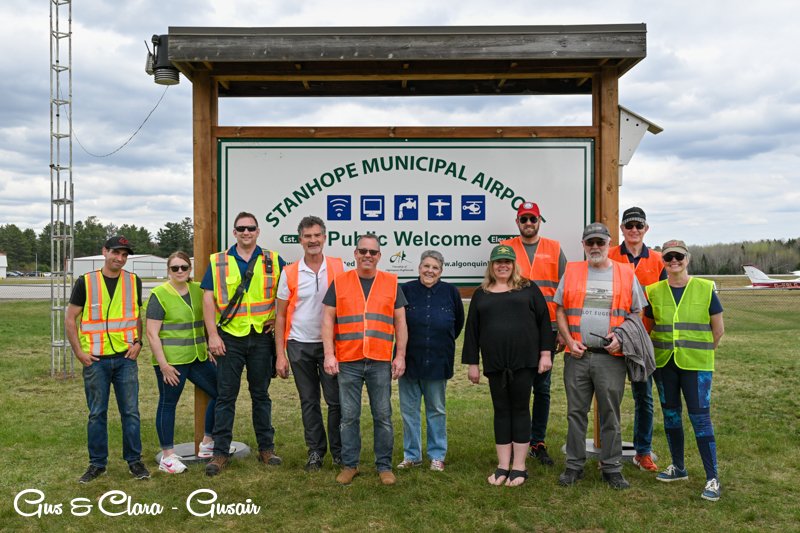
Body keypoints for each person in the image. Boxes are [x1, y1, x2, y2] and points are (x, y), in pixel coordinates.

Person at [555, 223, 646, 490]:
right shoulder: (572, 271)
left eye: (600, 242)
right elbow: (559, 309)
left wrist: (622, 338)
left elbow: (636, 313)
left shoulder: (626, 273)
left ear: (608, 244)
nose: (595, 247)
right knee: (575, 413)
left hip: (611, 357)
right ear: (583, 245)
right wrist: (570, 340)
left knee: (610, 413)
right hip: (577, 355)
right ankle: (574, 466)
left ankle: (612, 468)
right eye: (590, 242)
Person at [201, 211, 286, 476]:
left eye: (251, 228)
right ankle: (220, 453)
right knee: (226, 396)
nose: (246, 232)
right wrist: (212, 335)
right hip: (229, 338)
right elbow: (207, 299)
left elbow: (285, 295)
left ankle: (266, 449)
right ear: (234, 232)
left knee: (261, 395)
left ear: (258, 231)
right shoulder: (219, 261)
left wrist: (276, 318)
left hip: (261, 338)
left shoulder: (273, 260)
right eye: (241, 229)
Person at [462, 245, 554, 487]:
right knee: (501, 411)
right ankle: (503, 465)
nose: (503, 266)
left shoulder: (528, 288)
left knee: (521, 410)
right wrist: (473, 363)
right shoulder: (482, 293)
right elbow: (472, 331)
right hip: (495, 364)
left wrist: (546, 354)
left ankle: (520, 466)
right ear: (491, 266)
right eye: (498, 262)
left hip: (524, 362)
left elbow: (544, 321)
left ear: (514, 265)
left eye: (507, 262)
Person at [321, 234, 408, 486]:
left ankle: (384, 466)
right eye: (363, 251)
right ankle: (350, 465)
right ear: (355, 254)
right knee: (349, 416)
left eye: (373, 252)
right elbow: (328, 320)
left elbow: (400, 322)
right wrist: (329, 354)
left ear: (379, 256)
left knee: (382, 415)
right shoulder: (340, 282)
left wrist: (399, 355)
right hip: (348, 359)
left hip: (380, 359)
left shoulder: (391, 283)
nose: (367, 256)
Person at [645, 239, 724, 501]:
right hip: (665, 363)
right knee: (671, 416)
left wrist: (702, 352)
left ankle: (712, 477)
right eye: (668, 258)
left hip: (697, 366)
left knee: (700, 419)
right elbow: (648, 325)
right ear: (664, 262)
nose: (674, 261)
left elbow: (718, 328)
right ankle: (678, 467)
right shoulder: (653, 291)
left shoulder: (705, 288)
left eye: (678, 256)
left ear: (687, 259)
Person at [65, 235, 149, 483]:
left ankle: (135, 461)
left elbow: (135, 316)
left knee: (131, 413)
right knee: (97, 413)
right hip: (96, 361)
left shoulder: (134, 281)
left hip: (125, 359)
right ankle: (97, 464)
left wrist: (138, 342)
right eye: (116, 253)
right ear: (105, 252)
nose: (120, 258)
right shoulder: (86, 282)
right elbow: (70, 318)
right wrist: (79, 352)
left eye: (124, 255)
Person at [274, 216, 344, 472]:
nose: (313, 240)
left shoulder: (338, 267)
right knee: (309, 401)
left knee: (336, 402)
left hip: (331, 346)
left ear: (324, 238)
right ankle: (315, 451)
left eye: (317, 235)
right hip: (299, 344)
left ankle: (339, 452)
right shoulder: (289, 272)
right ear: (300, 240)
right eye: (307, 236)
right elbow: (280, 315)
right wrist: (280, 355)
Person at [501, 201, 566, 466]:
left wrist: (563, 331)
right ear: (518, 222)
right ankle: (518, 439)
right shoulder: (506, 248)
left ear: (540, 221)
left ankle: (537, 441)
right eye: (524, 219)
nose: (529, 223)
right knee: (517, 387)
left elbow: (564, 292)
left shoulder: (554, 248)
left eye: (533, 219)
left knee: (543, 387)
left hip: (547, 328)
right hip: (515, 329)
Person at [146, 251, 219, 474]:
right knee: (168, 404)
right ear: (168, 270)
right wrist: (164, 365)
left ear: (190, 269)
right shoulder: (159, 294)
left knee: (221, 392)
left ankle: (207, 442)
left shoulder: (198, 290)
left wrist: (210, 345)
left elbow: (207, 320)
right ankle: (167, 456)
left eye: (184, 267)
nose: (179, 271)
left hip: (197, 357)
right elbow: (152, 333)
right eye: (175, 268)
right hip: (172, 363)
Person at [608, 206, 666, 472]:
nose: (633, 230)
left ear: (646, 229)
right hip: (615, 339)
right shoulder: (610, 256)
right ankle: (609, 451)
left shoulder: (657, 261)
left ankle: (642, 451)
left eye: (638, 226)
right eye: (629, 226)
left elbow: (663, 301)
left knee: (644, 397)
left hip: (643, 339)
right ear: (621, 229)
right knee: (611, 398)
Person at [397, 250, 464, 472]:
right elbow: (397, 323)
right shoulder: (405, 290)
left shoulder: (451, 292)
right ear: (419, 268)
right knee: (409, 410)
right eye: (426, 266)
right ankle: (412, 455)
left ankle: (437, 455)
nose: (430, 271)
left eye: (435, 267)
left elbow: (457, 325)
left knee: (436, 409)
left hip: (438, 361)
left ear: (441, 271)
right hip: (408, 361)